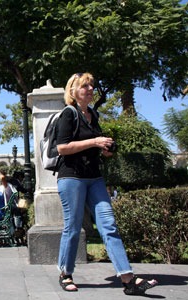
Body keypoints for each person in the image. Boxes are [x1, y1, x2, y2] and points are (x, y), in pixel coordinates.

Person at [55, 72, 157, 295]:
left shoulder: (93, 114)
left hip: (94, 177)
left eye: (92, 85)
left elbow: (96, 148)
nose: (90, 89)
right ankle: (65, 273)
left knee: (108, 225)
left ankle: (128, 279)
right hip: (71, 177)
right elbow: (62, 148)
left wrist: (106, 148)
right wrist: (94, 140)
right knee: (72, 228)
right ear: (73, 91)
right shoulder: (68, 114)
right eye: (85, 86)